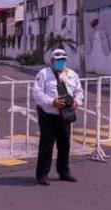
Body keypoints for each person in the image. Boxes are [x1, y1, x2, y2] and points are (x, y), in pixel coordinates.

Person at [33, 48, 84, 186]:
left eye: (63, 60)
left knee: (65, 144)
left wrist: (77, 102)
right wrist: (52, 102)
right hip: (48, 114)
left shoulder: (72, 75)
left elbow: (79, 92)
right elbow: (37, 94)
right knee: (46, 145)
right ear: (52, 61)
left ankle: (64, 171)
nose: (61, 62)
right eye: (58, 60)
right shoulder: (43, 74)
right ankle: (42, 174)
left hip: (65, 115)